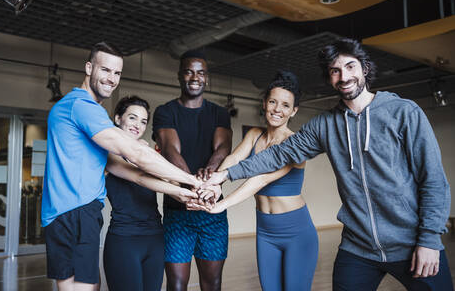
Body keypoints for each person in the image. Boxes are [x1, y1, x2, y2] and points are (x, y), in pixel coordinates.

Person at [205, 38, 453, 290]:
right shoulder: (324, 125)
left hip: (411, 244)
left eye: (350, 66)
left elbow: (433, 180)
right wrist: (224, 175)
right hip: (358, 249)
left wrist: (429, 240)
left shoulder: (403, 112)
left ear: (364, 68)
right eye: (335, 71)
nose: (344, 76)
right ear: (330, 78)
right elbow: (277, 155)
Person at [42, 42, 200, 291]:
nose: (111, 78)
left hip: (84, 215)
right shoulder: (80, 106)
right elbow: (136, 153)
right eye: (105, 70)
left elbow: (131, 173)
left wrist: (178, 191)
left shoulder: (91, 114)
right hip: (72, 214)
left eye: (117, 73)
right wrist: (194, 181)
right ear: (88, 67)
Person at [190, 71, 318, 290]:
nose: (277, 109)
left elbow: (260, 179)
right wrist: (213, 185)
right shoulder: (255, 134)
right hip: (266, 232)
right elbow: (233, 159)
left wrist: (221, 205)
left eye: (285, 105)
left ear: (294, 111)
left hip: (296, 231)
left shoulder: (295, 144)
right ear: (264, 103)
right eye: (273, 102)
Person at [152, 50, 232, 291]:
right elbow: (170, 149)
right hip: (178, 212)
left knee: (212, 284)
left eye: (200, 72)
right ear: (179, 76)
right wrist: (193, 184)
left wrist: (208, 174)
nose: (195, 77)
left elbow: (223, 147)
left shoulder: (219, 112)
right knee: (176, 285)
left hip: (212, 210)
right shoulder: (165, 111)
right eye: (189, 71)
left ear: (206, 78)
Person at [103, 96, 198, 291]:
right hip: (124, 240)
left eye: (143, 121)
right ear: (118, 118)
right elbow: (139, 176)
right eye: (132, 118)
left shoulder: (148, 152)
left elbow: (169, 181)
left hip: (154, 238)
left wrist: (195, 194)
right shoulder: (107, 152)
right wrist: (180, 189)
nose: (138, 125)